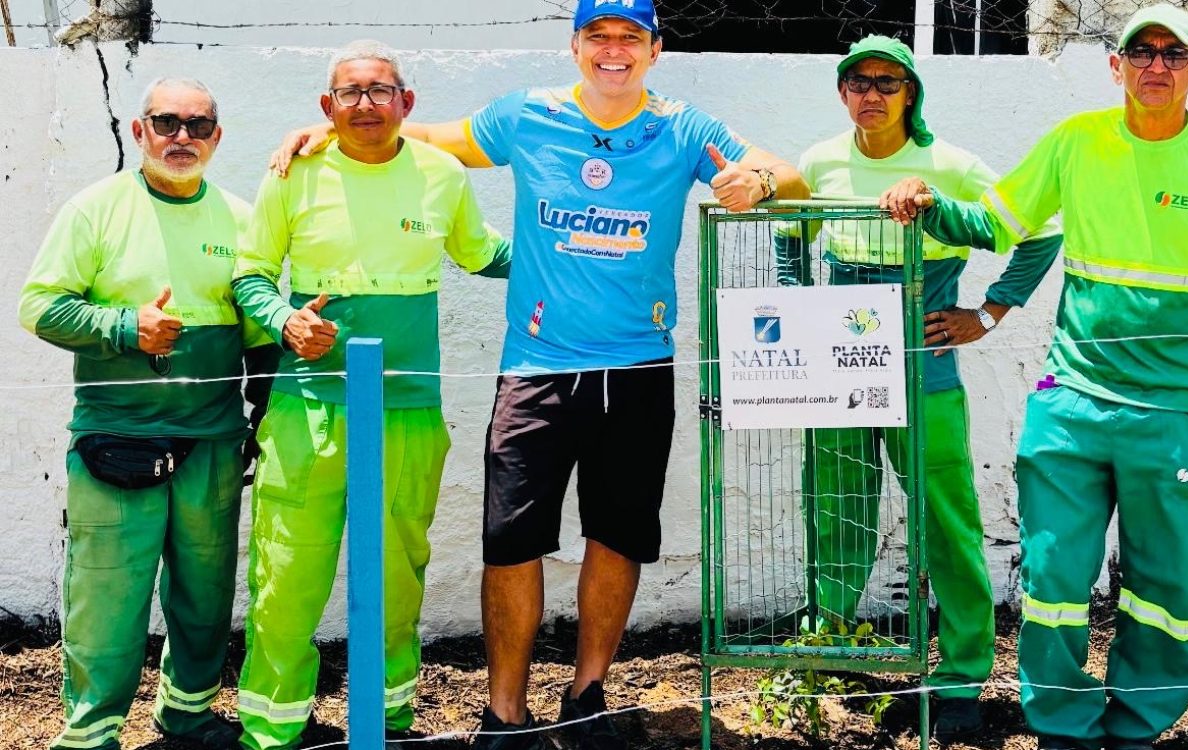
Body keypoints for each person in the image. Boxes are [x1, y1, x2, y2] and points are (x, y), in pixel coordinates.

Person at [270, 2, 808, 748]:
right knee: (512, 544)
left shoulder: (683, 126)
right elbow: (429, 137)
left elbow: (791, 173)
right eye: (598, 37)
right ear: (575, 46)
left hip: (638, 365)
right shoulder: (526, 115)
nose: (612, 50)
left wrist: (758, 184)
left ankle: (589, 697)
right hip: (535, 371)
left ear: (654, 48)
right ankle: (505, 713)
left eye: (628, 38)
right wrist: (333, 129)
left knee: (617, 540)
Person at [880, 5, 1188, 749]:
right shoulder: (1075, 142)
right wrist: (924, 204)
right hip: (1075, 405)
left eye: (1175, 53)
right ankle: (1063, 730)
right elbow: (994, 222)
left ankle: (1135, 730)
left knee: (1169, 594)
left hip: (1178, 413)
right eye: (1140, 52)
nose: (1157, 65)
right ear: (1115, 67)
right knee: (1053, 585)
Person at [775, 35, 1063, 741]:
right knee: (836, 503)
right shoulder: (819, 160)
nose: (871, 94)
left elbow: (1041, 231)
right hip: (837, 366)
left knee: (946, 517)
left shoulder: (952, 166)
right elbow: (789, 236)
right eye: (857, 82)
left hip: (924, 362)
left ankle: (962, 669)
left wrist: (988, 311)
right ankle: (827, 644)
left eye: (887, 82)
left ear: (912, 93)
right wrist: (793, 308)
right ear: (842, 92)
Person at [232, 40, 511, 750]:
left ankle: (387, 716)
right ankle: (272, 724)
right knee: (287, 566)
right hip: (307, 405)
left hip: (409, 406)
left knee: (396, 573)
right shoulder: (292, 173)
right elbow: (251, 275)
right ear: (327, 107)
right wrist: (284, 321)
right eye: (349, 93)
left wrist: (567, 252)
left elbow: (484, 255)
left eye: (380, 91)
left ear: (406, 104)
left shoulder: (443, 176)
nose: (365, 104)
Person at [18, 78, 277, 750]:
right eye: (166, 122)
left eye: (197, 125)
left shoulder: (244, 218)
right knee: (105, 602)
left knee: (204, 597)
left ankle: (187, 715)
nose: (181, 137)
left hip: (213, 444)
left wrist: (266, 408)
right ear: (140, 132)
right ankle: (90, 734)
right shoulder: (94, 210)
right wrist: (124, 326)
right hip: (117, 439)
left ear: (217, 138)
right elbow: (39, 306)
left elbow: (258, 335)